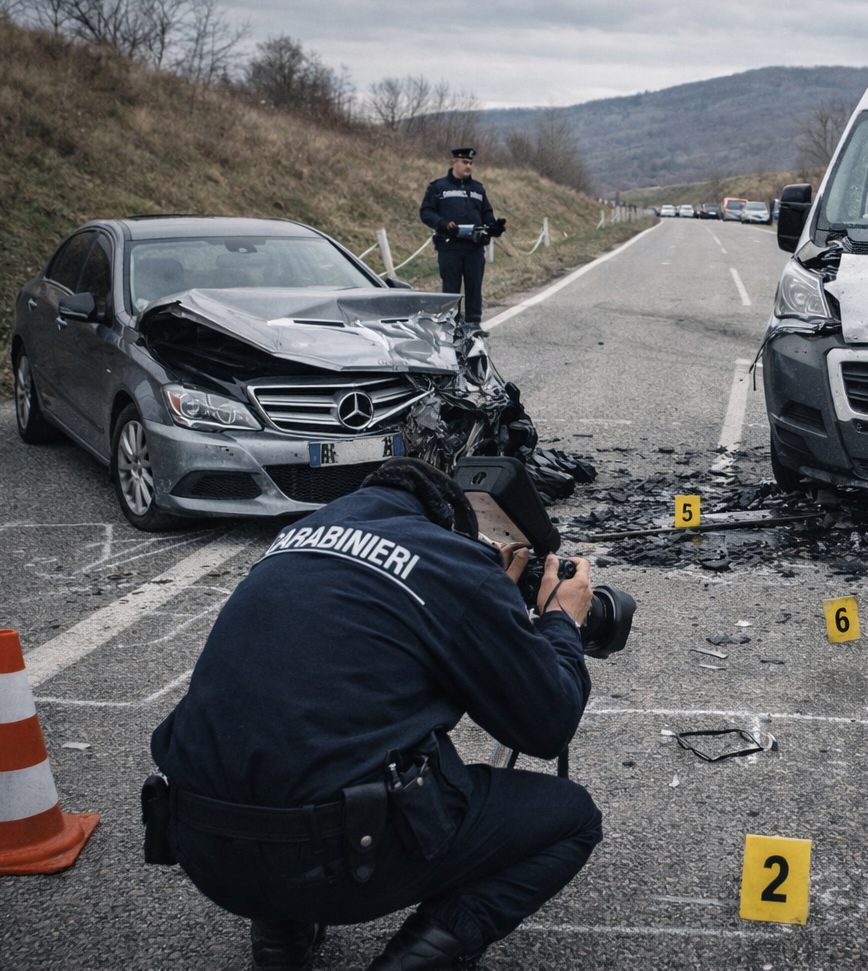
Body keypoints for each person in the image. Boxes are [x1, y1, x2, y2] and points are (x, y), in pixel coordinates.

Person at [149, 458, 600, 971]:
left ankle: (281, 943)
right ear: (449, 523)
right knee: (572, 818)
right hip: (341, 861)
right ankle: (411, 961)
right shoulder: (449, 559)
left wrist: (478, 589)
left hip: (202, 847)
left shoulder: (295, 538)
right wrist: (560, 622)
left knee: (294, 727)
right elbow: (547, 725)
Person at [419, 147, 507, 331]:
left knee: (474, 285)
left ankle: (474, 324)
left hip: (474, 247)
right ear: (454, 163)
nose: (468, 166)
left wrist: (494, 227)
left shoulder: (478, 189)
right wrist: (442, 224)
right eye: (464, 162)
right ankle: (451, 324)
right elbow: (426, 212)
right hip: (450, 247)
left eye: (471, 163)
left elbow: (486, 213)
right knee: (451, 287)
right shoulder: (438, 187)